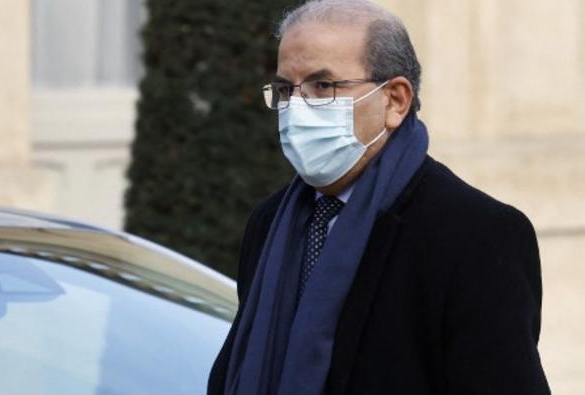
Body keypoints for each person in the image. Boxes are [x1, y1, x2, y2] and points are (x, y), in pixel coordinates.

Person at [208, 0, 551, 394]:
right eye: (286, 89)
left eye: (323, 86)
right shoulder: (268, 223)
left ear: (395, 100)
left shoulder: (476, 234)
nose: (296, 108)